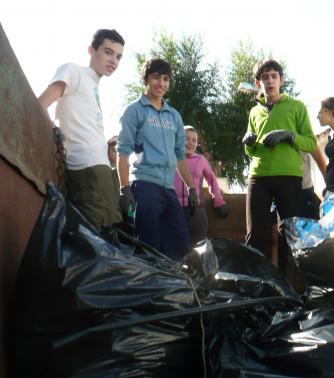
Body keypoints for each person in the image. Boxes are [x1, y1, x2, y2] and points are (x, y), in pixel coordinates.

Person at [38, 29, 125, 230]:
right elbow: (40, 104)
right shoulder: (73, 71)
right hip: (86, 170)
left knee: (107, 239)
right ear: (91, 50)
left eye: (119, 56)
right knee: (92, 243)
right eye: (108, 52)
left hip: (102, 171)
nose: (114, 60)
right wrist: (56, 133)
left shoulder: (94, 86)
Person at [116, 58, 196, 261]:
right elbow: (123, 152)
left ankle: (174, 290)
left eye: (166, 79)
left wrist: (191, 188)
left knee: (180, 245)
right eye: (156, 77)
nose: (161, 83)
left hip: (168, 189)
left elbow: (179, 156)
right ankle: (148, 291)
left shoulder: (174, 116)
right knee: (149, 245)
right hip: (144, 185)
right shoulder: (133, 111)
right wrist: (124, 189)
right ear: (146, 79)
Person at [242, 59, 317, 273]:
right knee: (255, 232)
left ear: (281, 80)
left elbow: (311, 142)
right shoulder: (254, 112)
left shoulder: (296, 106)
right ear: (258, 84)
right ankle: (257, 282)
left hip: (289, 176)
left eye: (274, 76)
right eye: (264, 78)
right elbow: (252, 151)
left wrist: (289, 136)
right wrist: (247, 142)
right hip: (259, 175)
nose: (269, 81)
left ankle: (285, 283)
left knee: (288, 232)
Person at [174, 125, 229, 243]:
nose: (190, 143)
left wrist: (219, 201)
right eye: (186, 139)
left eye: (194, 140)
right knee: (175, 248)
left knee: (198, 249)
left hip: (196, 211)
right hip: (175, 209)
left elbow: (212, 180)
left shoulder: (201, 160)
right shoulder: (171, 158)